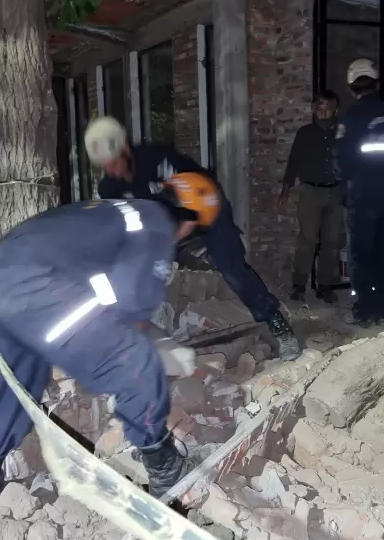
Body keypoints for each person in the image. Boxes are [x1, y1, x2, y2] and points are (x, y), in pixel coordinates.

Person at [0, 172, 221, 513]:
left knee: (18, 378)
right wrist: (146, 346)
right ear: (190, 221)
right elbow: (131, 298)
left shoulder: (116, 211)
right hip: (36, 289)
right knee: (137, 363)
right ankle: (167, 474)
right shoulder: (156, 224)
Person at [87, 117, 302, 362]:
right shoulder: (110, 188)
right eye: (105, 166)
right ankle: (137, 341)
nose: (111, 170)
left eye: (114, 162)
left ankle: (276, 323)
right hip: (166, 223)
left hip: (206, 206)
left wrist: (173, 239)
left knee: (231, 268)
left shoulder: (156, 159)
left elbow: (193, 207)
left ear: (125, 149)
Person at [336, 59, 384, 327]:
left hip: (362, 193)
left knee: (360, 254)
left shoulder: (352, 116)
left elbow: (342, 160)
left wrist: (345, 180)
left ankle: (365, 310)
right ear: (376, 83)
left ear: (352, 87)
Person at [280, 91, 344, 304]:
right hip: (310, 191)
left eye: (328, 107)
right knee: (307, 239)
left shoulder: (343, 131)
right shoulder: (305, 133)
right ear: (313, 109)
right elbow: (294, 161)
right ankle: (299, 284)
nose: (323, 111)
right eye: (319, 107)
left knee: (331, 241)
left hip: (336, 192)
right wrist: (286, 189)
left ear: (335, 109)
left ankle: (324, 286)